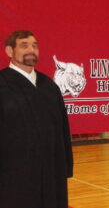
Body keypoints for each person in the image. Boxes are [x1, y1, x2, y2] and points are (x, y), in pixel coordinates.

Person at [0, 30, 73, 208]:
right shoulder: (2, 84)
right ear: (9, 51)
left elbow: (63, 130)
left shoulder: (49, 86)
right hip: (13, 176)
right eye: (24, 45)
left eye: (35, 45)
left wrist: (65, 167)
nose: (31, 50)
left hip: (51, 172)